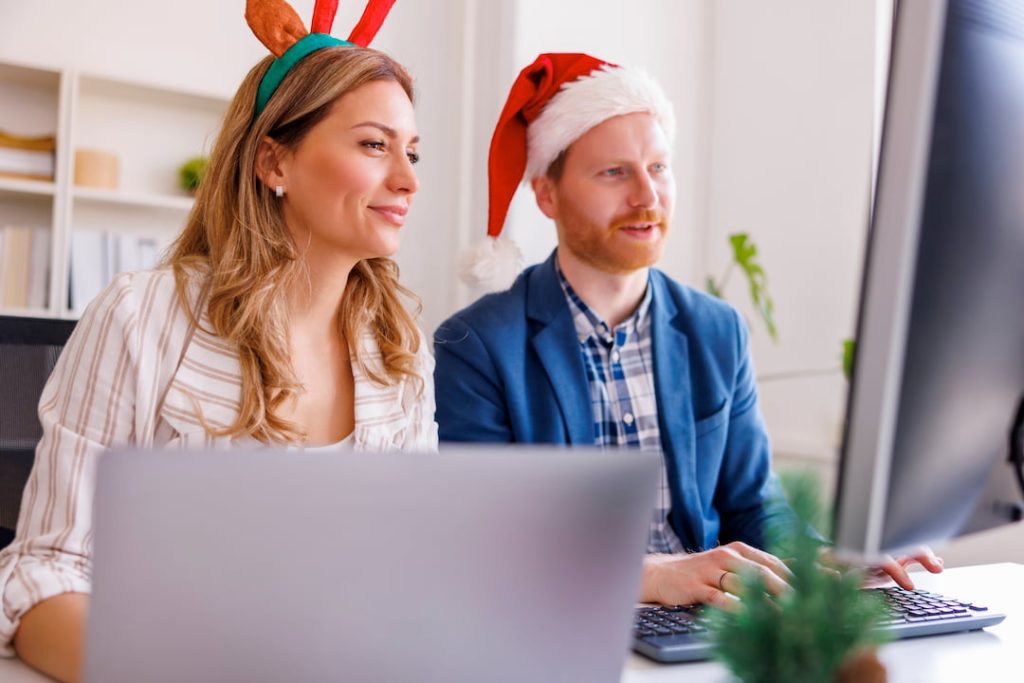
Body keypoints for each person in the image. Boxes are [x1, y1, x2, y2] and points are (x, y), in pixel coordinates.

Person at [0, 2, 435, 681]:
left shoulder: (400, 352)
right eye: (375, 145)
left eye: (412, 151)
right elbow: (44, 573)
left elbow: (409, 572)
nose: (408, 179)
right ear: (274, 162)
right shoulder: (141, 318)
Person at [434, 52, 942, 609]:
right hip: (560, 622)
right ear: (546, 193)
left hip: (707, 622)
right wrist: (649, 576)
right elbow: (489, 544)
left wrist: (824, 555)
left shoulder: (716, 330)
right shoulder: (477, 347)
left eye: (658, 168)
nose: (646, 197)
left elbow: (753, 503)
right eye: (614, 172)